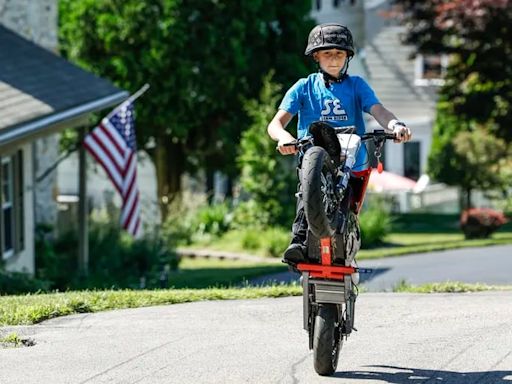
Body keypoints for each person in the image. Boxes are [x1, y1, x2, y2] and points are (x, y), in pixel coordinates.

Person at [267, 23, 412, 265]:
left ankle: (342, 238)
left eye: (339, 54)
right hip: (316, 162)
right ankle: (299, 241)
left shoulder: (357, 85)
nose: (333, 60)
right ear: (316, 57)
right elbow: (275, 124)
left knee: (344, 207)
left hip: (352, 162)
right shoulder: (304, 87)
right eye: (327, 54)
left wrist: (395, 125)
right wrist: (284, 137)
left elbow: (379, 110)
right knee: (306, 195)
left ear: (347, 57)